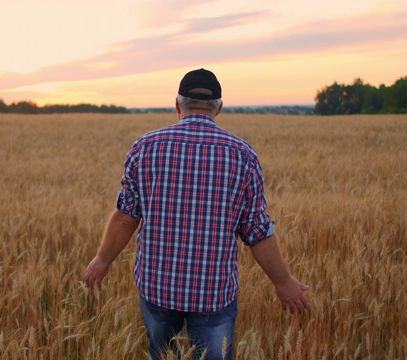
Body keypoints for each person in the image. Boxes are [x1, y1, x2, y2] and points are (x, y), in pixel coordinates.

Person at [84, 68, 309, 360]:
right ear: (219, 109)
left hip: (157, 287)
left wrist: (102, 261)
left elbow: (126, 217)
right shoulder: (243, 155)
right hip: (214, 293)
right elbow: (257, 232)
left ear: (178, 105)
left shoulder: (145, 148)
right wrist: (283, 282)